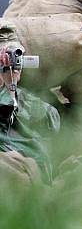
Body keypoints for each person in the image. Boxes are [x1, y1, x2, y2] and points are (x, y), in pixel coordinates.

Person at [0, 28, 60, 182]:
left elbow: (52, 121)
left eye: (16, 56)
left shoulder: (26, 99)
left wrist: (10, 88)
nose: (13, 63)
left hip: (26, 177)